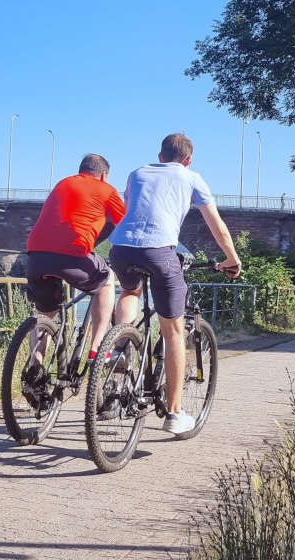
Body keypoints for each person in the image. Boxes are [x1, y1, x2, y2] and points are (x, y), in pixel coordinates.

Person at [108, 133, 241, 435]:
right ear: (188, 159)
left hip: (120, 249)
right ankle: (175, 412)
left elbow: (131, 210)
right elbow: (216, 226)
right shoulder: (192, 177)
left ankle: (119, 345)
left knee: (130, 290)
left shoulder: (136, 173)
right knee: (174, 331)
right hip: (160, 250)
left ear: (160, 154)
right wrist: (232, 259)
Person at [24, 154, 126, 402]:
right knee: (106, 280)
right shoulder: (107, 189)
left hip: (36, 256)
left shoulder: (62, 183)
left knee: (45, 315)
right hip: (72, 256)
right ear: (103, 174)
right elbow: (126, 226)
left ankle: (35, 366)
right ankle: (98, 349)